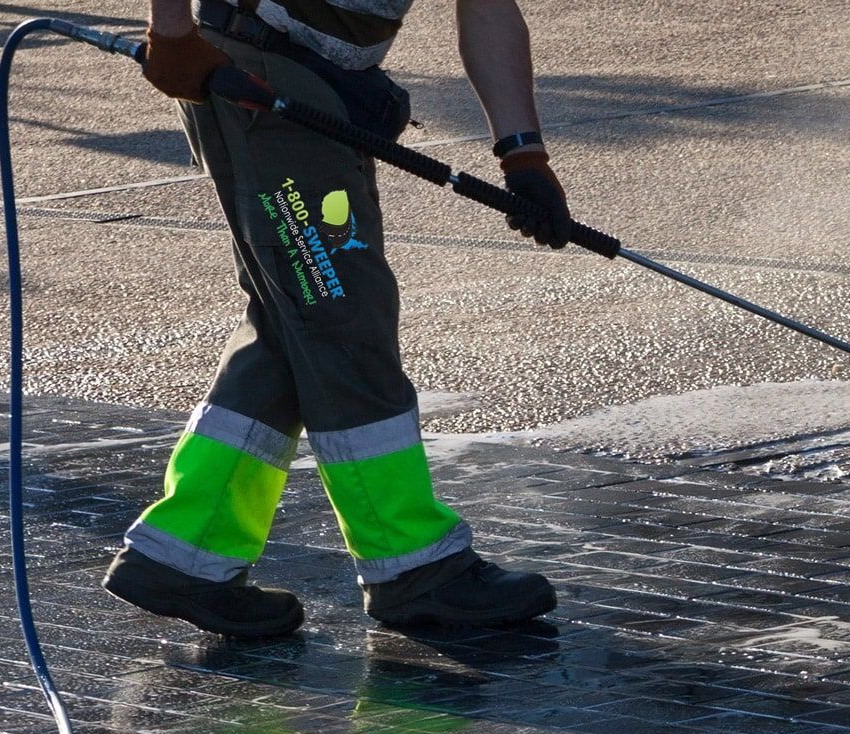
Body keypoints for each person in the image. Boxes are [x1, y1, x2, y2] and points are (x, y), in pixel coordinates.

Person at [102, 0, 570, 637]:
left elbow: (486, 7)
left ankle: (186, 552)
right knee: (340, 320)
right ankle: (412, 566)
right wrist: (173, 32)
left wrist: (524, 156)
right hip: (259, 80)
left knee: (295, 317)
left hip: (301, 83)